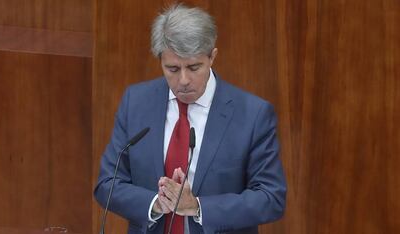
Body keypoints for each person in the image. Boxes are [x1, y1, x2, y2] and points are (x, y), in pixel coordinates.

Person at [94, 3, 286, 234]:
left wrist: (197, 207)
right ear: (160, 61)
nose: (183, 80)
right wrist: (156, 203)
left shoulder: (253, 114)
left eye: (194, 67)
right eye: (173, 69)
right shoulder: (136, 102)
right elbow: (108, 184)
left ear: (212, 57)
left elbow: (271, 197)